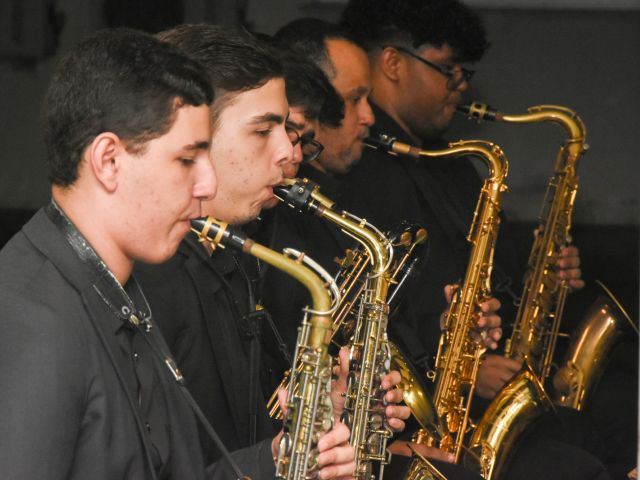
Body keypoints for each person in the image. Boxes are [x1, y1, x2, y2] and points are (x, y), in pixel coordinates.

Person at [339, 0, 617, 478]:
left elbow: (495, 281)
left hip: (482, 400)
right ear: (393, 64)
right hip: (424, 421)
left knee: (600, 432)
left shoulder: (458, 166)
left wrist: (544, 277)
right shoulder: (357, 172)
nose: (462, 86)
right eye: (449, 70)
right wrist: (461, 366)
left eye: (465, 72)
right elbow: (370, 311)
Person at [257, 18, 503, 480]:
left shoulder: (330, 204)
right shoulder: (272, 228)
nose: (368, 117)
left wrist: (446, 333)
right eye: (353, 100)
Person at [0, 27, 242, 479]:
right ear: (108, 161)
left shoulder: (115, 282)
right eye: (187, 160)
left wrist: (281, 458)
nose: (208, 185)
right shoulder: (31, 322)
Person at [133, 24, 359, 479]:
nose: (288, 154)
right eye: (264, 131)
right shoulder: (147, 274)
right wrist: (272, 461)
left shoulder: (229, 253)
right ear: (191, 135)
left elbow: (231, 435)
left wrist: (317, 412)